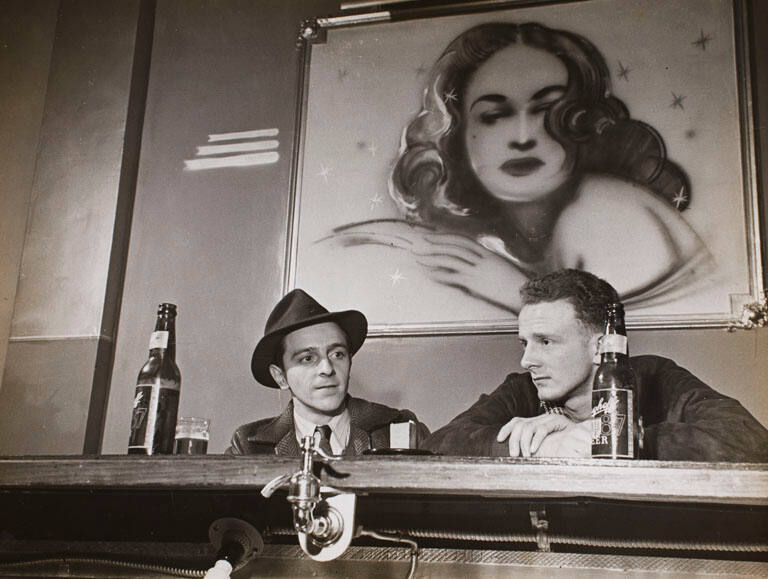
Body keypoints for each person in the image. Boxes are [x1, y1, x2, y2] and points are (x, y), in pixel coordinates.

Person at [322, 21, 712, 314]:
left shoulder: (608, 210)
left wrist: (515, 293)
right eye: (494, 116)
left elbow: (610, 354)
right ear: (457, 136)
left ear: (584, 122)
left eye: (547, 110)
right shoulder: (495, 231)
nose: (523, 136)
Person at [423, 269, 768, 462]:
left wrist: (608, 440)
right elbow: (439, 443)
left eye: (545, 341)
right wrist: (547, 447)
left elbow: (749, 438)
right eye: (525, 343)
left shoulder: (656, 376)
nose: (527, 360)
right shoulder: (523, 388)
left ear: (601, 347)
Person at [227, 289, 429, 455]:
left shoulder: (398, 428)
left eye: (337, 354)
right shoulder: (248, 446)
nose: (327, 369)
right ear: (280, 376)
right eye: (307, 358)